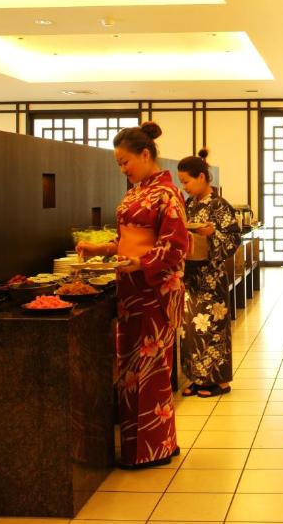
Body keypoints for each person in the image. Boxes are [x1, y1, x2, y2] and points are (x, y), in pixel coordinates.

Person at [76, 121, 189, 469]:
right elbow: (129, 240)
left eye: (126, 161)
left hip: (154, 289)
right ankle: (157, 443)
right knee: (130, 369)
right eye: (119, 164)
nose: (122, 169)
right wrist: (102, 250)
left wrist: (139, 262)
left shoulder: (167, 194)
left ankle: (149, 451)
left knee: (151, 369)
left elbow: (175, 247)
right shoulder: (137, 191)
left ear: (145, 154)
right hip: (132, 287)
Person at [176, 149, 240, 398]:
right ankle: (196, 376)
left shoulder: (220, 205)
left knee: (212, 329)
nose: (185, 187)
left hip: (211, 278)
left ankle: (218, 381)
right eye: (182, 183)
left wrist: (213, 233)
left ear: (202, 177)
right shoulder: (189, 205)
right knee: (189, 330)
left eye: (187, 181)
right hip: (190, 276)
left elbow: (233, 239)